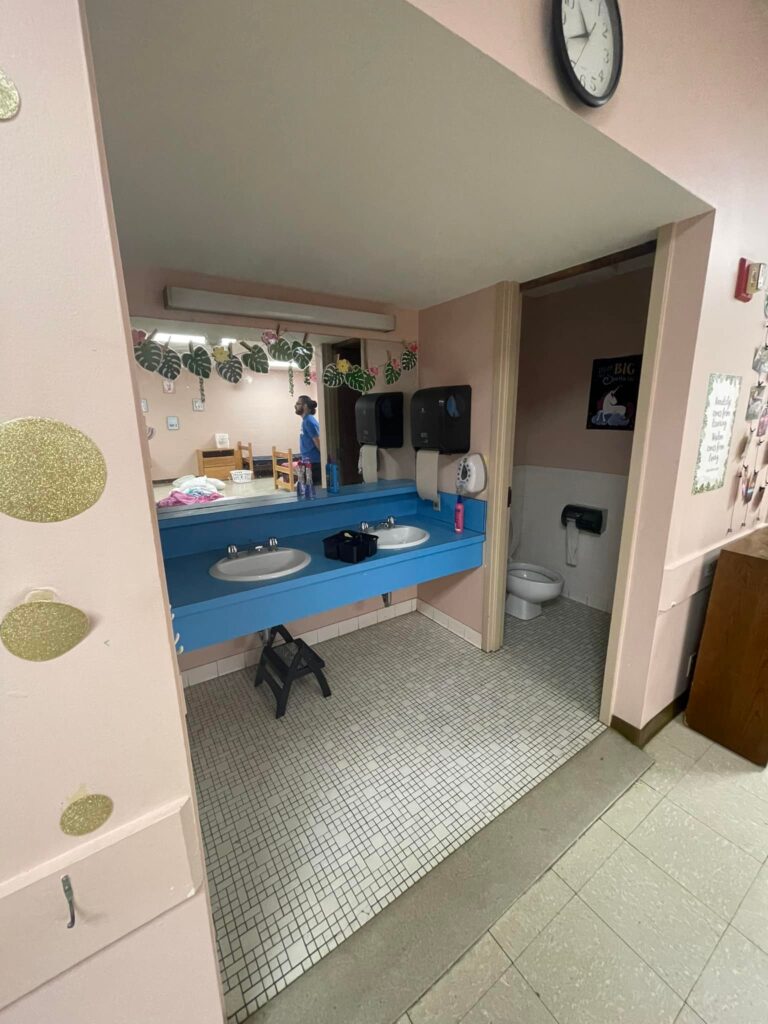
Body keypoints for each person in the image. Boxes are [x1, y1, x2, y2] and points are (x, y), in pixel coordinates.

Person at [294, 395, 322, 484]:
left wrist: (324, 457)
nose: (295, 406)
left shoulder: (309, 421)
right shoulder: (306, 420)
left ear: (305, 406)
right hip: (308, 461)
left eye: (298, 404)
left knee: (313, 490)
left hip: (314, 463)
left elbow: (317, 441)